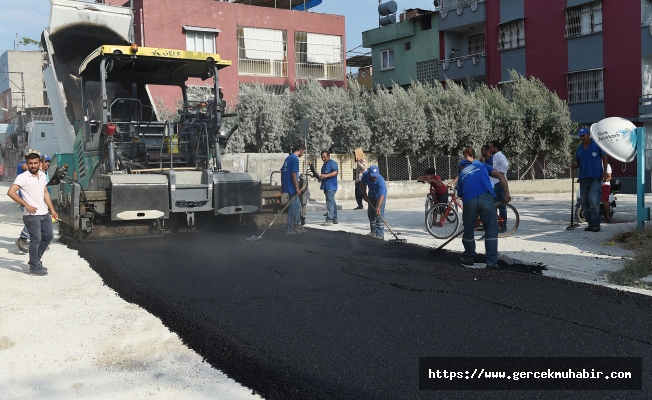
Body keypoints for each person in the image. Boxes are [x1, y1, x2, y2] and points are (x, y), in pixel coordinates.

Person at [457, 147, 511, 269]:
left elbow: (463, 197)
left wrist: (470, 217)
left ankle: (469, 257)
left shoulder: (461, 175)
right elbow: (501, 176)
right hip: (487, 198)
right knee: (491, 229)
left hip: (470, 200)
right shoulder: (482, 165)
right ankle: (491, 261)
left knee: (468, 230)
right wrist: (507, 194)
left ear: (462, 167)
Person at [7, 151, 59, 275]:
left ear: (39, 163)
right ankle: (34, 267)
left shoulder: (42, 175)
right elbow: (11, 192)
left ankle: (35, 260)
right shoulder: (23, 177)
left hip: (44, 213)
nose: (33, 165)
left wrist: (52, 209)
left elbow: (45, 192)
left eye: (35, 163)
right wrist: (26, 204)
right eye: (30, 163)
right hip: (31, 215)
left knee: (48, 237)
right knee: (36, 240)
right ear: (27, 164)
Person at [572, 127, 608, 232]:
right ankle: (590, 223)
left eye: (583, 135)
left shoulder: (597, 145)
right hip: (583, 177)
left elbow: (605, 158)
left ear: (588, 135)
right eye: (580, 136)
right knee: (584, 202)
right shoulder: (579, 148)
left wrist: (605, 172)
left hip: (596, 176)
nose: (581, 138)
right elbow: (577, 163)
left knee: (593, 199)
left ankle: (596, 223)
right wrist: (574, 166)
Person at [281, 144, 307, 235]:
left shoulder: (288, 158)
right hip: (292, 187)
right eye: (303, 152)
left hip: (287, 186)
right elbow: (293, 174)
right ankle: (290, 228)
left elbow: (282, 171)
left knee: (298, 206)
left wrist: (283, 186)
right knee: (293, 207)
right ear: (300, 150)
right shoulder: (295, 159)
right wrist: (297, 188)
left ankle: (298, 225)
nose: (303, 154)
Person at [359, 165, 387, 240]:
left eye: (375, 176)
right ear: (369, 173)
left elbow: (382, 195)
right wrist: (365, 195)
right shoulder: (365, 174)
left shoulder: (380, 180)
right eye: (372, 176)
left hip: (380, 198)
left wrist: (378, 207)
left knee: (378, 214)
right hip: (371, 196)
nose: (374, 177)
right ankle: (373, 231)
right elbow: (362, 184)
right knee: (371, 214)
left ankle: (380, 234)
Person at [14, 150, 34, 253]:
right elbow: (27, 167)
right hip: (25, 199)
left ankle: (33, 241)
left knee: (35, 220)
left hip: (31, 199)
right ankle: (22, 239)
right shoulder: (21, 165)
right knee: (32, 220)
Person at [489, 140, 509, 232]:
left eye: (491, 147)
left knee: (501, 205)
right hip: (495, 183)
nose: (490, 149)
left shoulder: (500, 156)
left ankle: (502, 225)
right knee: (495, 205)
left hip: (499, 183)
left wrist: (501, 173)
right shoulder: (495, 156)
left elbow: (505, 164)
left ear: (496, 148)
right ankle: (497, 224)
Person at [320, 150, 339, 226]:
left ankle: (329, 219)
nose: (323, 159)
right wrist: (321, 178)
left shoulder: (332, 163)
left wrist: (326, 176)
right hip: (326, 186)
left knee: (329, 203)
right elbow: (324, 174)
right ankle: (335, 218)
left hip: (331, 187)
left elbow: (336, 172)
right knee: (332, 202)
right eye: (322, 157)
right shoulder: (324, 164)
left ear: (328, 156)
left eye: (324, 157)